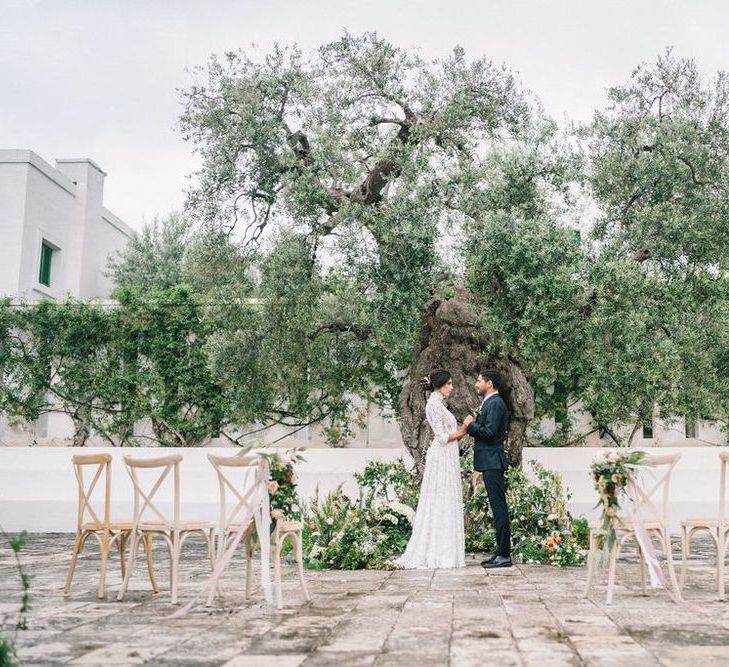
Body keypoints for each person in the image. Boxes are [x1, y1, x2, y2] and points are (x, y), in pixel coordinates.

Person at [397, 369, 468, 569]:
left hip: (448, 456)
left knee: (446, 498)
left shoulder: (438, 404)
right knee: (440, 497)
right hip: (442, 456)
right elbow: (442, 437)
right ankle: (439, 551)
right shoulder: (433, 405)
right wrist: (464, 428)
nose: (452, 387)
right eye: (449, 384)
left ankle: (446, 549)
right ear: (441, 385)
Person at [463, 369, 512, 568]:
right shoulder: (490, 402)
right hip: (489, 461)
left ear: (489, 383)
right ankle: (500, 552)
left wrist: (471, 425)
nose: (476, 384)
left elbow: (490, 432)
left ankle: (505, 555)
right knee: (497, 507)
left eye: (479, 381)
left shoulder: (495, 403)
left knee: (499, 508)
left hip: (493, 461)